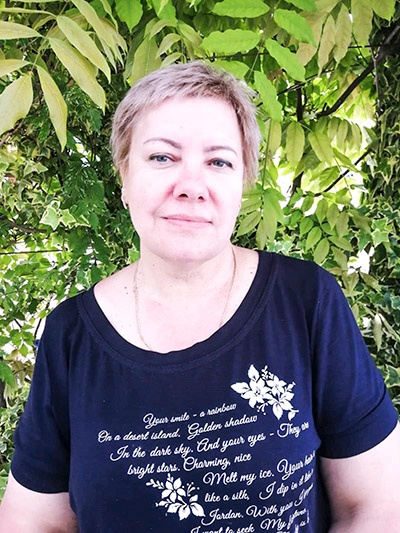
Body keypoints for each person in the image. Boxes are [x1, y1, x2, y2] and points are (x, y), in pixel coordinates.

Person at [0, 61, 399, 533]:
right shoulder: (71, 337)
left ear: (242, 183)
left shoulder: (306, 302)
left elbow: (377, 505)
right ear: (124, 176)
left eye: (219, 161)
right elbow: (33, 521)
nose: (191, 187)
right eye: (162, 157)